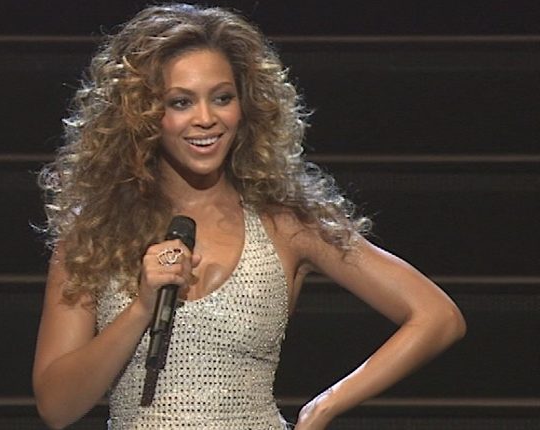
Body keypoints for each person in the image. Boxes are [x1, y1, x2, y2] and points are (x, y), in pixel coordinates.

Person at [32, 3, 466, 429]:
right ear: (142, 113)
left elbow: (437, 317)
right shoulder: (94, 235)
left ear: (246, 105)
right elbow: (57, 407)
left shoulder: (285, 224)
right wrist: (142, 307)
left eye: (222, 98)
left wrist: (324, 407)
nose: (206, 119)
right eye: (181, 102)